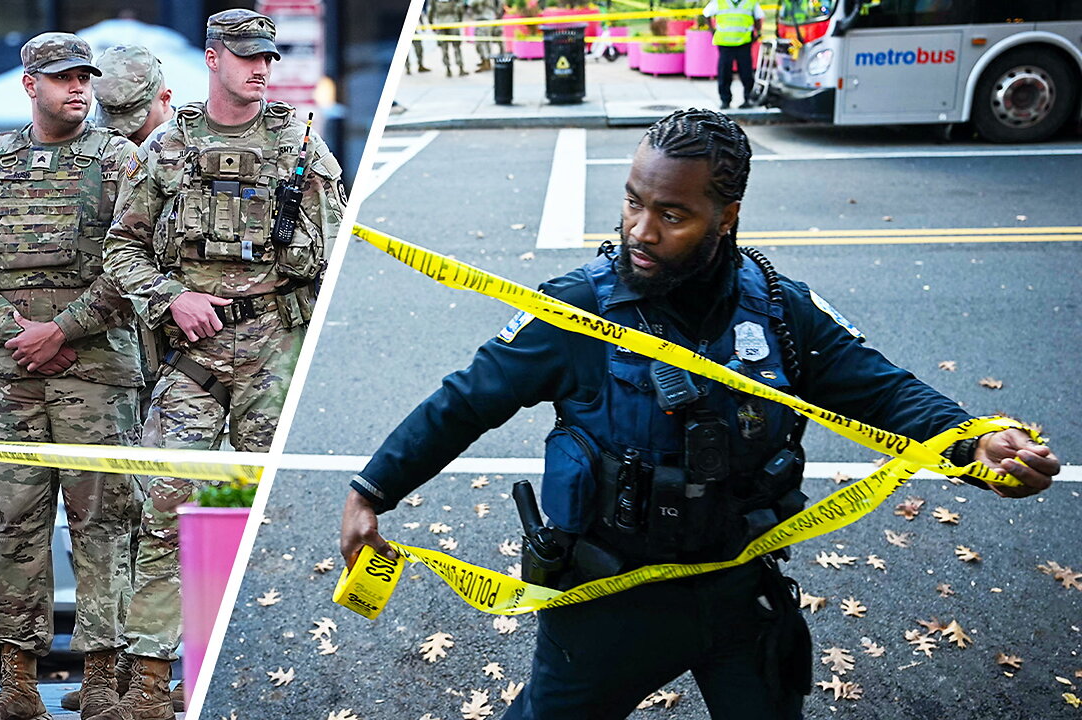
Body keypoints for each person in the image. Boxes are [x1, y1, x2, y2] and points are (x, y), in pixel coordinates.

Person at [339, 109, 1059, 719]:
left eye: (672, 214)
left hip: (739, 592)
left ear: (727, 215)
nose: (640, 231)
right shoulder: (576, 310)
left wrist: (974, 442)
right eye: (632, 202)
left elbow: (885, 391)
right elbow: (466, 400)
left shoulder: (779, 311)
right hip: (604, 604)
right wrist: (374, 489)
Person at [101, 10, 345, 719]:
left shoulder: (300, 144)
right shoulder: (168, 148)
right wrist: (171, 298)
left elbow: (335, 254)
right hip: (193, 357)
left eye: (268, 57)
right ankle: (150, 686)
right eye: (246, 57)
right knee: (164, 510)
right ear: (213, 59)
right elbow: (122, 250)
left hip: (275, 348)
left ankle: (273, 666)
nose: (261, 68)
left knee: (278, 510)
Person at [0, 32, 143, 720]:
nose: (79, 87)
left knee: (103, 524)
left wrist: (61, 330)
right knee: (14, 524)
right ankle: (18, 685)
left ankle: (102, 681)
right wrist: (17, 335)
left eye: (84, 76)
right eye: (63, 77)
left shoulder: (121, 161)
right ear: (31, 84)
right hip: (14, 376)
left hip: (98, 374)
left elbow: (136, 261)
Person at [56, 41, 184, 716]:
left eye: (137, 116)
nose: (127, 128)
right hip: (125, 363)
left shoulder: (182, 156)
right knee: (127, 522)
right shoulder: (112, 158)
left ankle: (168, 671)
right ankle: (131, 674)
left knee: (167, 518)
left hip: (182, 365)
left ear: (164, 98)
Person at [95, 44, 176, 146]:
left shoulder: (193, 143)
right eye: (110, 121)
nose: (124, 134)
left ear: (165, 99)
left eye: (135, 119)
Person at [703, 0, 765, 109]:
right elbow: (706, 14)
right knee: (724, 73)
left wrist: (758, 32)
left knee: (746, 73)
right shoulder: (719, 2)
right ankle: (725, 100)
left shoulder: (751, 2)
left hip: (744, 42)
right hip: (725, 43)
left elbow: (758, 17)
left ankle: (748, 99)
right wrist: (712, 30)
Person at [431, 0, 469, 77]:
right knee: (456, 47)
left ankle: (448, 69)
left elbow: (431, 10)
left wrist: (431, 23)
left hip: (440, 23)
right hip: (452, 21)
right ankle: (460, 68)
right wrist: (459, 20)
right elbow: (460, 7)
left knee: (444, 48)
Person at [468, 0, 504, 72]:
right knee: (485, 41)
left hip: (484, 18)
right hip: (489, 17)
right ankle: (486, 60)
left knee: (482, 42)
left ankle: (486, 62)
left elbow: (473, 3)